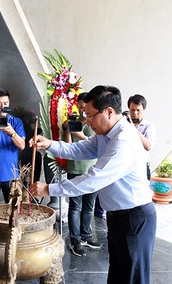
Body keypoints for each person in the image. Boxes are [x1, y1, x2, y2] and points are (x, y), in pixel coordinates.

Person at [29, 85, 156, 284]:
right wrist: (50, 144)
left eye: (90, 116)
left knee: (133, 278)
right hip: (118, 217)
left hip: (134, 219)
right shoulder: (106, 135)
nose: (87, 121)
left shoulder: (123, 141)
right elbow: (79, 149)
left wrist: (49, 189)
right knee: (118, 275)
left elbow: (93, 179)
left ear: (109, 112)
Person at [62, 92, 101, 257]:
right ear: (77, 105)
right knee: (75, 206)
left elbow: (96, 145)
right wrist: (69, 128)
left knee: (89, 206)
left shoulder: (95, 122)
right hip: (75, 168)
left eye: (86, 105)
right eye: (81, 104)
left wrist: (81, 135)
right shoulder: (73, 122)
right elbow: (67, 145)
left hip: (92, 169)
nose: (83, 108)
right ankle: (74, 240)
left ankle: (86, 235)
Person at [127, 94, 156, 179]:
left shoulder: (149, 126)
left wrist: (133, 128)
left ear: (143, 110)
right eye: (132, 110)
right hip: (125, 167)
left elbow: (148, 146)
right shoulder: (124, 125)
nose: (135, 113)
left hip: (141, 168)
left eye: (138, 110)